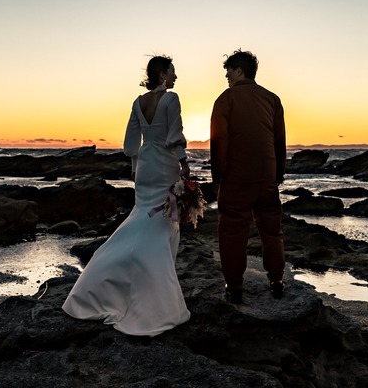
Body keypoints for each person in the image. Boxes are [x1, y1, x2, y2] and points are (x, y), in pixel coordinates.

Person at [62, 55, 191, 335]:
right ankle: (153, 291)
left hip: (146, 165)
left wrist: (134, 166)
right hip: (165, 163)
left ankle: (104, 280)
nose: (175, 77)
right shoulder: (171, 99)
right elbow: (174, 134)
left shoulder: (137, 102)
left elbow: (132, 139)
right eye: (172, 72)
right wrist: (183, 161)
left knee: (141, 216)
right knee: (162, 220)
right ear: (161, 75)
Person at [209, 49, 286, 304]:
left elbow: (219, 141)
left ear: (239, 70)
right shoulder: (272, 99)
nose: (227, 76)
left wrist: (217, 177)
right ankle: (276, 280)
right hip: (266, 177)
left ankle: (234, 286)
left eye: (228, 71)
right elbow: (279, 141)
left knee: (232, 232)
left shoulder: (226, 98)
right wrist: (278, 174)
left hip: (236, 178)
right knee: (272, 231)